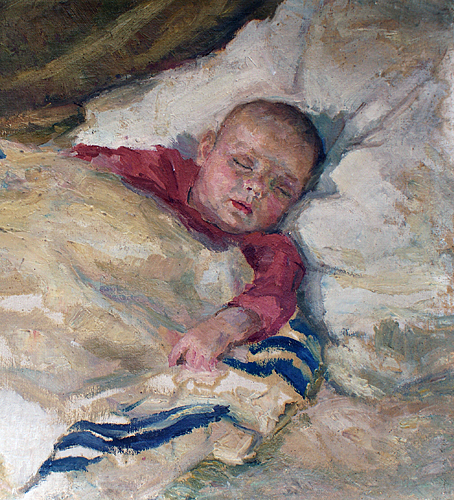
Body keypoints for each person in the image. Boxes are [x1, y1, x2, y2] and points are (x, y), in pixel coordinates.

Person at [72, 100, 325, 372]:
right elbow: (80, 166)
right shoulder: (164, 170)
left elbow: (272, 296)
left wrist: (221, 328)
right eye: (242, 163)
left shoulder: (269, 247)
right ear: (206, 150)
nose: (257, 187)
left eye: (282, 189)